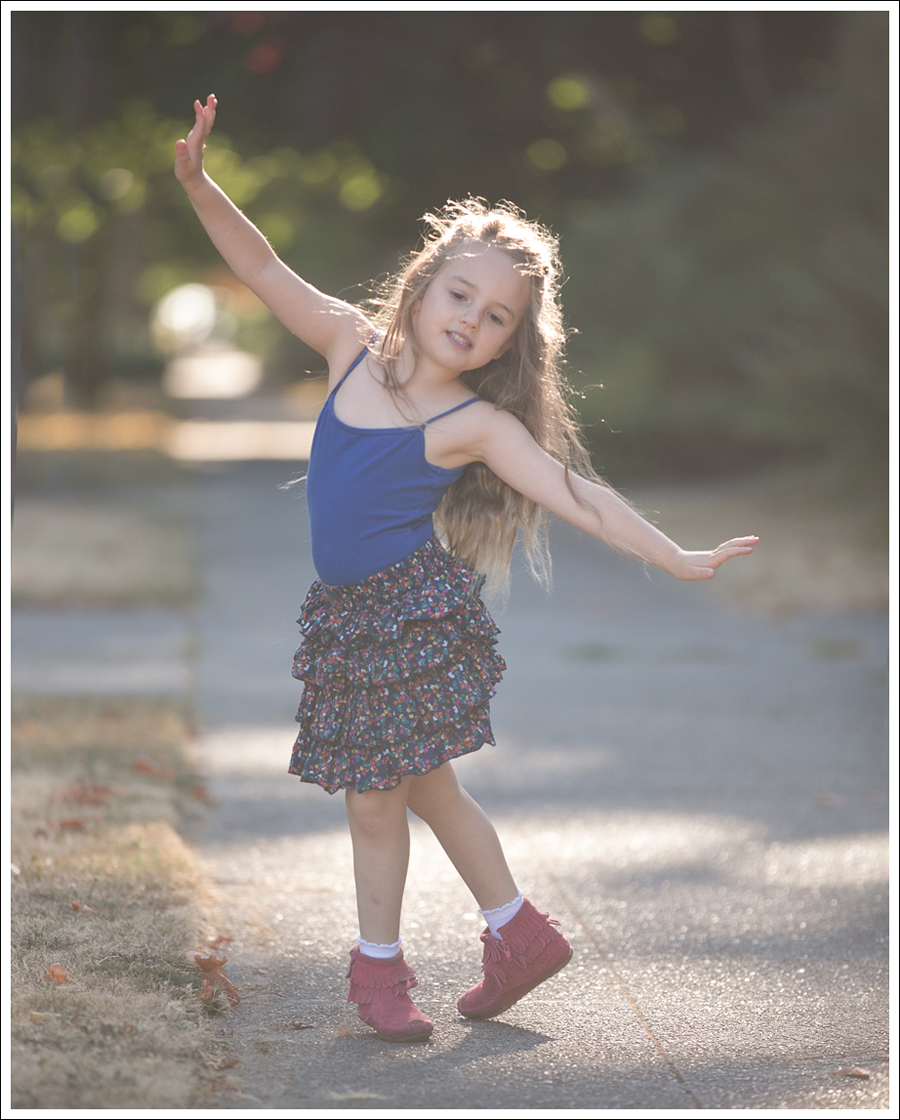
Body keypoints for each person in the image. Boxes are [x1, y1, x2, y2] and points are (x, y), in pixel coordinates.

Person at [175, 95, 757, 1044]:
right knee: (430, 787)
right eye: (460, 297)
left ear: (506, 344)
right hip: (354, 615)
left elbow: (578, 495)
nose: (471, 322)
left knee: (376, 799)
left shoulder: (473, 427)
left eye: (494, 320)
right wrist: (201, 186)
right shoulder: (347, 345)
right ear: (421, 283)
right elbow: (260, 264)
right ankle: (518, 932)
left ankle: (378, 973)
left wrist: (677, 556)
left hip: (406, 616)